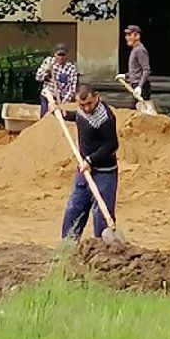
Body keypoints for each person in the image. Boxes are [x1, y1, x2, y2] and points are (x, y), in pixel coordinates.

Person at [59, 84, 120, 240]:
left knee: (101, 213)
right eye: (82, 105)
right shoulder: (82, 110)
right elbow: (80, 117)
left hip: (104, 173)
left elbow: (112, 145)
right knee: (74, 208)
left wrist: (90, 161)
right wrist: (64, 114)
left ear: (96, 97)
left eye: (89, 104)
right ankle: (68, 247)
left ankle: (102, 249)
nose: (86, 108)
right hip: (84, 170)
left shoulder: (105, 117)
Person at [35, 44, 78, 117]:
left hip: (62, 99)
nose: (61, 57)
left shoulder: (71, 68)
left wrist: (62, 105)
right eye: (59, 55)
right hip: (48, 96)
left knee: (62, 118)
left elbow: (72, 89)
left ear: (67, 55)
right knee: (45, 118)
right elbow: (38, 77)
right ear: (55, 54)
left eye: (63, 55)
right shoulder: (49, 62)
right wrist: (46, 74)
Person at [123, 24, 151, 101]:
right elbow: (137, 70)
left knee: (142, 111)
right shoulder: (135, 50)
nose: (127, 37)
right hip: (135, 85)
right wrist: (125, 76)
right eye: (126, 35)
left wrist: (140, 86)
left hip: (141, 86)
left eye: (129, 35)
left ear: (137, 36)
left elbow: (146, 70)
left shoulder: (139, 50)